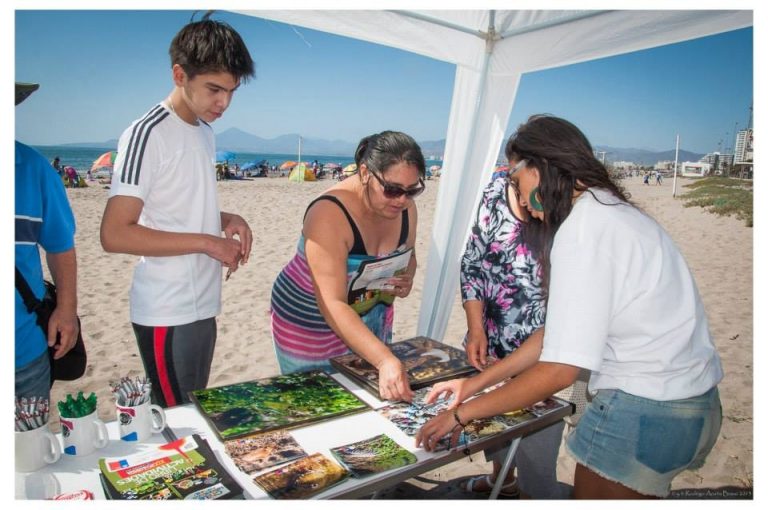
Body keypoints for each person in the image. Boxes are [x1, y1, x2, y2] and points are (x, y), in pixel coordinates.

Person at [416, 115, 723, 499]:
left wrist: (460, 415)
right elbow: (555, 336)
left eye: (516, 181)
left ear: (540, 167)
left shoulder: (583, 230)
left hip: (642, 412)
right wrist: (474, 386)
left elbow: (559, 370)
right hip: (693, 406)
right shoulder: (613, 211)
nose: (523, 202)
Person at [100, 17, 255, 408]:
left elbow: (177, 203)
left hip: (203, 301)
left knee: (195, 413)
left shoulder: (204, 130)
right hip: (166, 308)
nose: (224, 103)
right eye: (214, 89)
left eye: (232, 91)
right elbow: (115, 233)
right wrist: (208, 243)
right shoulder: (146, 132)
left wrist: (226, 218)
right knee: (176, 422)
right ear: (179, 74)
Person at [271, 131, 426, 402]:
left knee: (366, 400)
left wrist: (407, 277)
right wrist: (384, 359)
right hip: (310, 321)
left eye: (412, 190)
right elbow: (332, 303)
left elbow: (409, 258)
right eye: (392, 189)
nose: (401, 200)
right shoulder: (328, 214)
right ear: (365, 173)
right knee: (317, 401)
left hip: (369, 312)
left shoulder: (405, 208)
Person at [446, 168, 569, 499]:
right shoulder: (495, 190)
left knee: (539, 448)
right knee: (494, 423)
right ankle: (504, 480)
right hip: (492, 338)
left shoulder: (564, 206)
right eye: (509, 173)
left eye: (516, 171)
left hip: (544, 350)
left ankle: (533, 492)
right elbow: (472, 261)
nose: (510, 178)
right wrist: (475, 327)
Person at [15, 82, 80, 403]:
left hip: (23, 353)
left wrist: (67, 309)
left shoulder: (32, 168)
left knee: (30, 450)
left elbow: (60, 246)